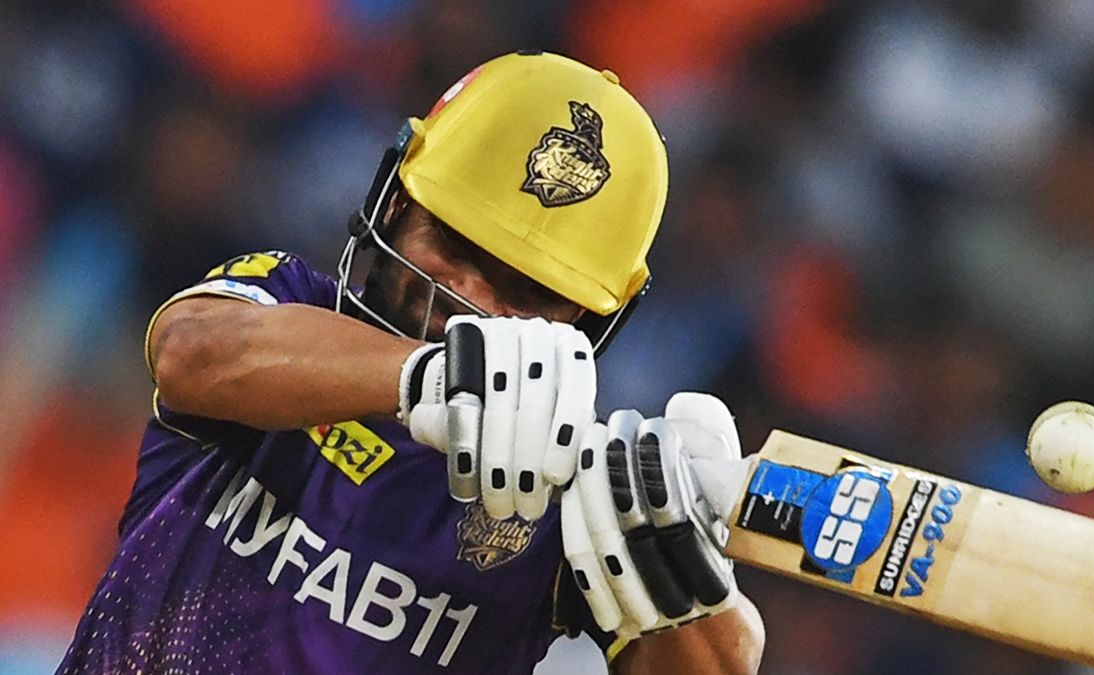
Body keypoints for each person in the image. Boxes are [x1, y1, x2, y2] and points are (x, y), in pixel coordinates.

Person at [56, 51, 764, 675]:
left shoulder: (571, 494)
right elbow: (188, 353)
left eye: (528, 290)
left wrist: (689, 587)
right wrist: (437, 376)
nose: (473, 297)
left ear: (589, 314)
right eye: (454, 242)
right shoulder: (286, 298)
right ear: (396, 199)